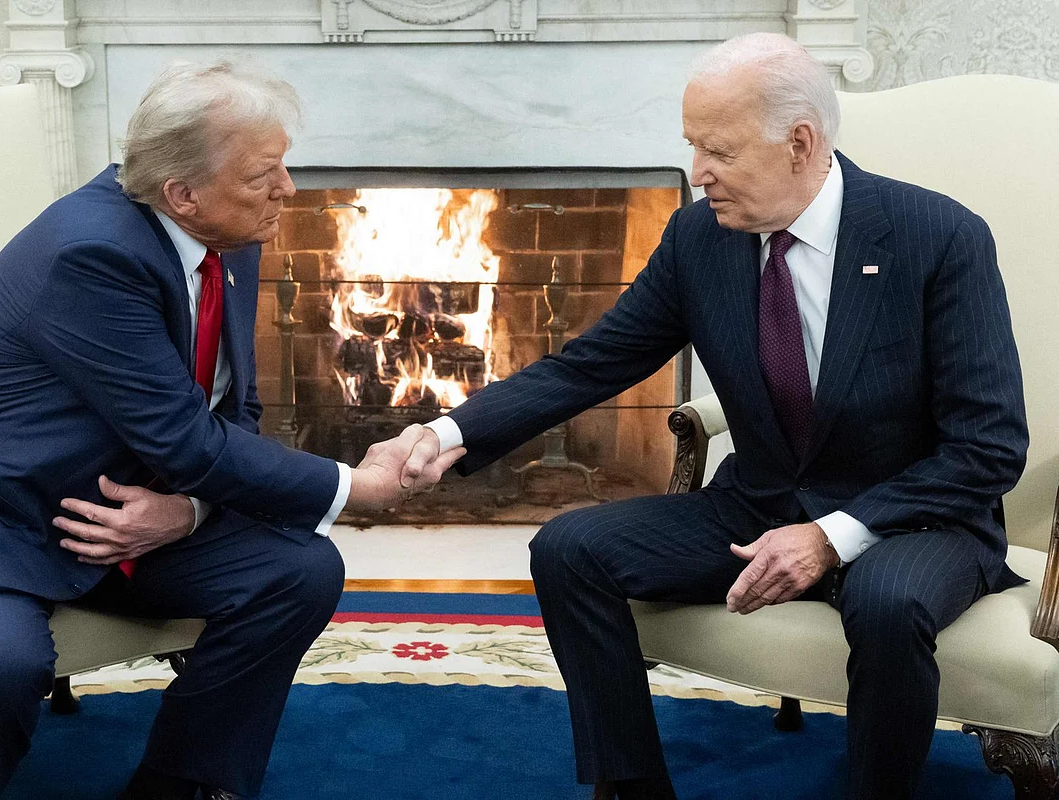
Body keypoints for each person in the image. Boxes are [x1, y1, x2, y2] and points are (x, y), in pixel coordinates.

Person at [400, 32, 1028, 800]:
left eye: (719, 152)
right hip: (760, 502)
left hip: (913, 519)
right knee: (569, 549)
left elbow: (989, 447)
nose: (697, 173)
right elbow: (591, 364)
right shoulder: (699, 238)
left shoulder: (938, 237)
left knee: (888, 603)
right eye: (693, 146)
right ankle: (634, 788)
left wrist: (829, 538)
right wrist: (446, 432)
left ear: (800, 143)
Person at [0, 62, 458, 800]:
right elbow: (186, 440)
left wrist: (189, 511)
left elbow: (231, 410)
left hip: (120, 513)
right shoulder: (91, 253)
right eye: (264, 174)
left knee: (298, 571)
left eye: (283, 164)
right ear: (183, 194)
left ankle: (179, 785)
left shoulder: (228, 233)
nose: (289, 189)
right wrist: (354, 489)